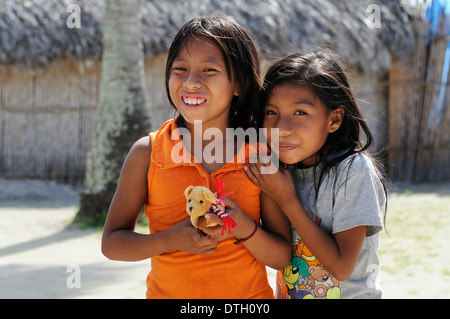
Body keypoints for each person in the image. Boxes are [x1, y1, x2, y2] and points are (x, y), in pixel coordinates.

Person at [101, 16, 291, 299]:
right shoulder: (149, 153)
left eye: (209, 70)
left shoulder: (259, 156)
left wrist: (244, 229)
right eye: (180, 69)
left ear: (237, 84)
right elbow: (112, 244)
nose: (191, 82)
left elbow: (281, 257)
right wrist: (169, 240)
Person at [245, 49, 388, 299]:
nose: (282, 128)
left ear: (334, 119)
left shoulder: (353, 171)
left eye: (300, 112)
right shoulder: (279, 171)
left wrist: (287, 200)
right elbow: (278, 256)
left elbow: (342, 267)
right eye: (271, 113)